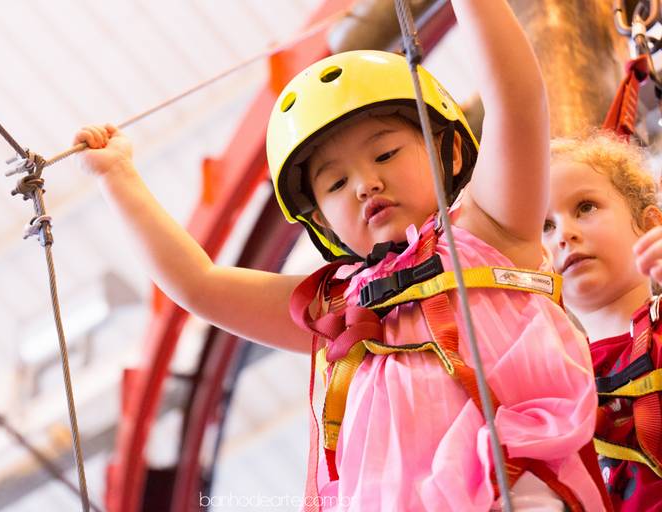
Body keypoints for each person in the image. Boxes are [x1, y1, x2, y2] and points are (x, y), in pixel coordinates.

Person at [76, 1, 607, 509]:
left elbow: (516, 97)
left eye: (385, 152)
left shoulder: (490, 227)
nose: (365, 184)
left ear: (446, 148)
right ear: (320, 220)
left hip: (514, 489)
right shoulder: (335, 312)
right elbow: (200, 284)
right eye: (335, 182)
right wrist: (118, 177)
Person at [544, 130, 662, 511]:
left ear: (648, 224)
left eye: (585, 207)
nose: (565, 234)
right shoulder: (552, 380)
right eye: (544, 226)